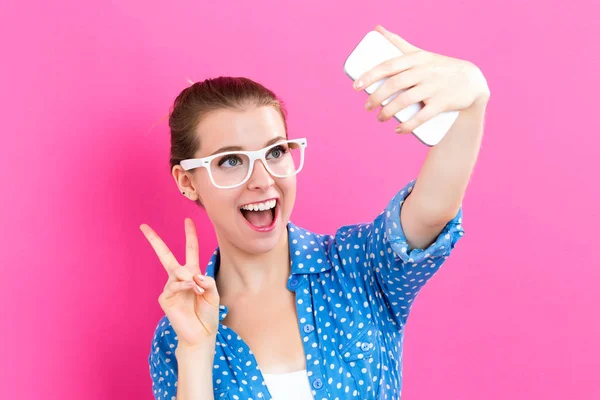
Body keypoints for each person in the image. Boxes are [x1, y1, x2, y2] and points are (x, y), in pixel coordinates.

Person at [140, 25, 490, 400]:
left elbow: (432, 213)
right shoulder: (177, 334)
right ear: (188, 181)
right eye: (230, 160)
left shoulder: (358, 265)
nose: (262, 180)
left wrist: (473, 97)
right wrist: (195, 350)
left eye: (275, 152)